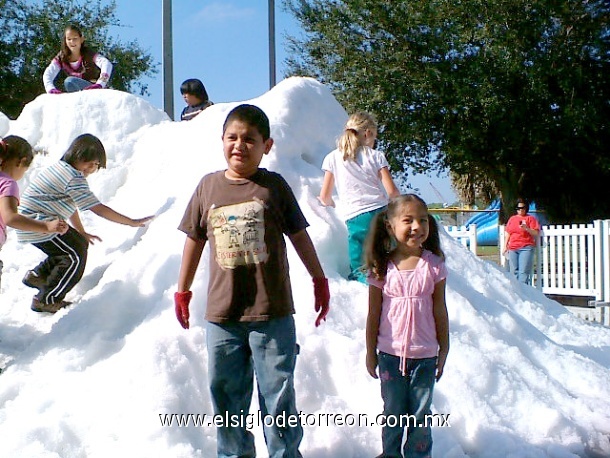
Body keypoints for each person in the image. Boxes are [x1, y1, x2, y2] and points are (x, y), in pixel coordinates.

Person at [174, 104, 330, 458]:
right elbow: (194, 240)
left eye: (249, 139)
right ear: (222, 140)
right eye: (233, 137)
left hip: (271, 313)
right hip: (223, 316)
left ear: (267, 145)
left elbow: (299, 235)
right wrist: (182, 291)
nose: (239, 146)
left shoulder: (273, 186)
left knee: (278, 400)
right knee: (227, 401)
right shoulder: (208, 187)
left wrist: (319, 278)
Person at [17, 134, 154, 313]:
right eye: (88, 161)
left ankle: (38, 276)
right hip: (40, 225)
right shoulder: (73, 178)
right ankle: (47, 300)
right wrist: (130, 222)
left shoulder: (61, 169)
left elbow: (70, 205)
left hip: (35, 221)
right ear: (75, 155)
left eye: (96, 164)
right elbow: (98, 208)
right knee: (75, 256)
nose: (91, 167)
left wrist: (81, 231)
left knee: (78, 244)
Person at [364, 194, 449, 458]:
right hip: (390, 355)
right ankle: (390, 454)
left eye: (422, 220)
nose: (417, 227)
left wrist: (443, 348)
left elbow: (440, 309)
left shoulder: (433, 266)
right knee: (393, 413)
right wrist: (370, 351)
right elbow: (373, 313)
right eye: (408, 220)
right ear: (390, 226)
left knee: (420, 415)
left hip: (424, 356)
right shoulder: (382, 268)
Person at [318, 111, 400, 283]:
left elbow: (325, 195)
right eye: (375, 137)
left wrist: (328, 202)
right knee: (385, 253)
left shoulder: (333, 157)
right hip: (380, 211)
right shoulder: (376, 156)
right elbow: (391, 191)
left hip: (354, 216)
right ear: (368, 133)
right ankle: (392, 280)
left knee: (359, 264)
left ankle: (362, 287)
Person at [0, 136, 68, 287]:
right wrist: (46, 226)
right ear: (20, 162)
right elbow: (10, 218)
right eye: (25, 170)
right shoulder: (7, 184)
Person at [43, 24, 113, 94]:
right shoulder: (61, 58)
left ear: (81, 39)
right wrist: (50, 89)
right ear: (65, 41)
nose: (72, 42)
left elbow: (107, 64)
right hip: (79, 93)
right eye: (69, 39)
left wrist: (100, 84)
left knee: (70, 81)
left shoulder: (88, 54)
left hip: (94, 91)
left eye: (75, 38)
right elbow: (48, 74)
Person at [503, 198, 540, 284]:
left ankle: (523, 293)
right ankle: (516, 292)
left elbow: (536, 232)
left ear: (526, 208)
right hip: (512, 248)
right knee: (514, 271)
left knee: (523, 272)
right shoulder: (512, 219)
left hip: (526, 247)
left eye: (522, 208)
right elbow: (508, 233)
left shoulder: (530, 219)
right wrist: (505, 246)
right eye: (518, 208)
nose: (520, 210)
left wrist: (527, 228)